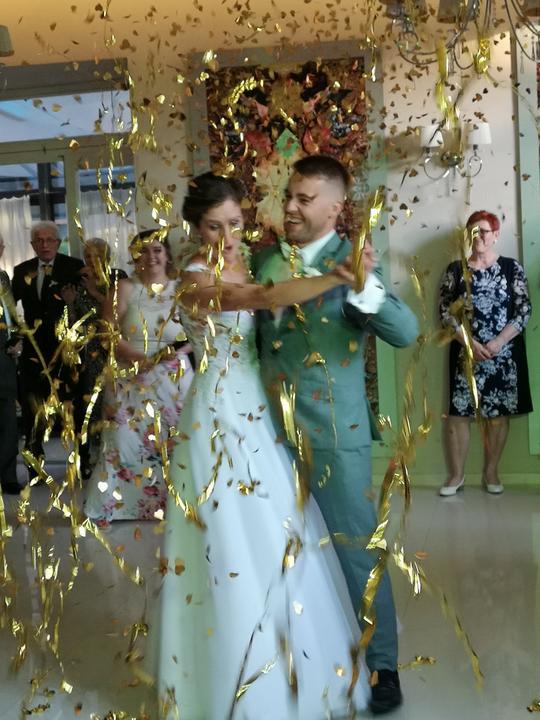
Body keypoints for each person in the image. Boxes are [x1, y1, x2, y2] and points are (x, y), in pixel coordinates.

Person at [153, 173, 370, 719]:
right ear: (194, 227)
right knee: (227, 536)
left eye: (235, 224)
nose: (228, 237)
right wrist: (332, 277)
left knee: (281, 532)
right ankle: (230, 675)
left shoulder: (251, 259)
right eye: (214, 227)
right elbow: (262, 298)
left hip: (260, 408)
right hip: (217, 418)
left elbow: (271, 322)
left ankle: (300, 665)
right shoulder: (192, 280)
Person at [253, 155, 419, 715]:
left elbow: (405, 331)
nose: (290, 207)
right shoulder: (265, 261)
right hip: (267, 435)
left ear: (334, 208)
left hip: (334, 433)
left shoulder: (353, 264)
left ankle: (383, 665)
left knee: (356, 552)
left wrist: (364, 288)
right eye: (289, 195)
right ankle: (293, 659)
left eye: (304, 199)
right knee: (277, 551)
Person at [84, 230, 194, 524]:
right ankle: (112, 507)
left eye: (157, 250)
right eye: (143, 251)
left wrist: (177, 352)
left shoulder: (182, 287)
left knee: (174, 439)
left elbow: (199, 331)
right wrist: (138, 359)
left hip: (174, 376)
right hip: (129, 375)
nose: (151, 256)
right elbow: (107, 332)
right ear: (134, 257)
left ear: (167, 254)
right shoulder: (124, 288)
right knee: (123, 440)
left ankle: (175, 505)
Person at [438, 210, 532, 497]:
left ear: (495, 235)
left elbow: (524, 311)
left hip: (503, 356)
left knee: (498, 415)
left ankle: (492, 472)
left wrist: (498, 342)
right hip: (466, 354)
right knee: (459, 416)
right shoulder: (455, 270)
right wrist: (469, 343)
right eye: (473, 232)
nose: (478, 236)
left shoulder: (512, 268)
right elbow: (445, 312)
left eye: (483, 231)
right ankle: (456, 476)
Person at [11, 222, 84, 474]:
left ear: (58, 242)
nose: (44, 245)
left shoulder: (74, 267)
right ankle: (35, 465)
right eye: (39, 240)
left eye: (50, 239)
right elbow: (9, 307)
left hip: (66, 349)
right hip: (33, 352)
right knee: (33, 408)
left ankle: (82, 461)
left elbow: (84, 308)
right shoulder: (22, 270)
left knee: (74, 407)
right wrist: (15, 336)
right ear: (32, 245)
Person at [61, 238, 128, 480]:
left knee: (117, 403)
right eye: (88, 256)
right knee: (91, 406)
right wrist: (70, 304)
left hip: (115, 348)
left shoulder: (118, 278)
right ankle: (91, 457)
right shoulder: (78, 281)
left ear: (107, 257)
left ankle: (119, 455)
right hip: (89, 353)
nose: (91, 260)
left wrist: (95, 293)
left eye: (97, 256)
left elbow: (122, 315)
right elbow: (73, 323)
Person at [0, 233, 22, 495]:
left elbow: (11, 314)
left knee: (7, 420)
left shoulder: (3, 277)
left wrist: (16, 340)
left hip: (4, 357)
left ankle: (7, 476)